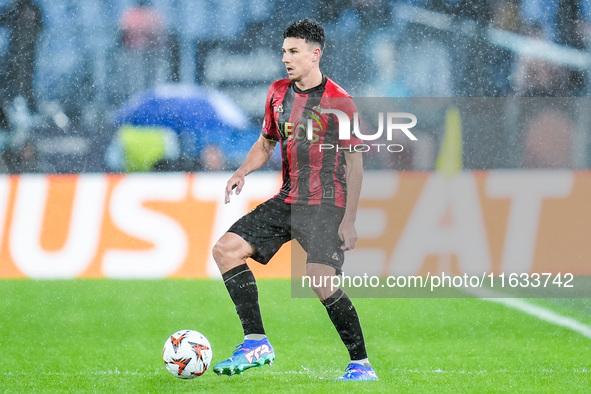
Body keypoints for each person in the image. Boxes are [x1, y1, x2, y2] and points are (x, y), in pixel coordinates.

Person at [211, 19, 377, 381]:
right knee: (225, 250)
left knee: (320, 281)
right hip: (288, 200)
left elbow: (355, 165)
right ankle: (255, 341)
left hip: (326, 204)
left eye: (293, 51)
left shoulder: (340, 102)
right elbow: (267, 142)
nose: (285, 58)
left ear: (315, 54)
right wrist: (242, 171)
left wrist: (348, 220)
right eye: (284, 51)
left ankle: (361, 365)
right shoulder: (277, 93)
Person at [0, 0, 44, 111]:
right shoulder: (20, 9)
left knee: (23, 78)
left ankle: (23, 105)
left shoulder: (28, 9)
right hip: (16, 55)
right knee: (17, 77)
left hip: (24, 55)